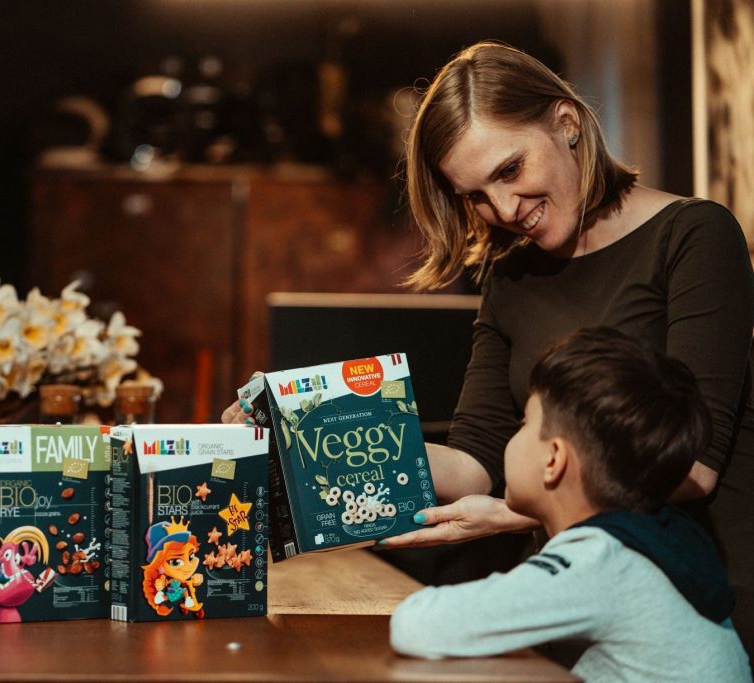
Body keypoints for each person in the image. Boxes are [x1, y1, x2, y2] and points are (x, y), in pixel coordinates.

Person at [221, 41, 754, 649]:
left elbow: (691, 467)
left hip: (700, 598)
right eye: (474, 194)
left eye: (510, 170)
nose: (503, 208)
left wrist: (515, 514)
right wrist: (303, 444)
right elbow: (476, 462)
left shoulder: (694, 236)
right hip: (579, 596)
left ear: (567, 123)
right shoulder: (512, 276)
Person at [389, 327, 751, 681]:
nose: (513, 437)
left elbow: (417, 626)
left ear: (554, 459)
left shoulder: (599, 561)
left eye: (524, 423)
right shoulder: (659, 539)